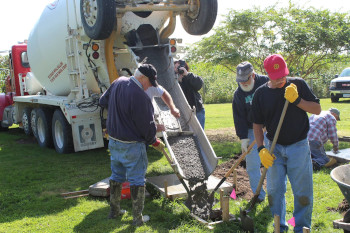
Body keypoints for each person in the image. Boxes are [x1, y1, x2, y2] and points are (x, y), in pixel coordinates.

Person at [251, 54, 321, 233]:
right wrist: (261, 149)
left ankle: (301, 228)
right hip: (274, 147)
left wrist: (297, 101)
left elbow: (317, 109)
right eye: (276, 78)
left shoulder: (297, 84)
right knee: (274, 192)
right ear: (267, 75)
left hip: (298, 146)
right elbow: (257, 124)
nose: (281, 80)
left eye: (283, 75)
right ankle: (279, 227)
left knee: (302, 192)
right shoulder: (260, 94)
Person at [99, 64, 165, 226]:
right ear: (142, 77)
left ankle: (114, 211)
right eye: (149, 82)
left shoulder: (118, 82)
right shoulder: (141, 97)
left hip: (114, 142)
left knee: (116, 176)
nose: (150, 87)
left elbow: (102, 101)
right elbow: (147, 127)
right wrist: (155, 142)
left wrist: (118, 114)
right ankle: (137, 219)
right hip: (132, 146)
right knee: (137, 180)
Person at [232, 61, 269, 202]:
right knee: (252, 164)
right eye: (240, 81)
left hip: (269, 126)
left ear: (253, 75)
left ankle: (274, 193)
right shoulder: (239, 94)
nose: (243, 83)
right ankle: (258, 195)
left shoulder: (265, 82)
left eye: (246, 79)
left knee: (271, 162)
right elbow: (238, 117)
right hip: (251, 129)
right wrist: (243, 138)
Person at [174, 60, 205, 129]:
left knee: (199, 133)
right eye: (175, 67)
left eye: (179, 67)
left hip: (197, 110)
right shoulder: (172, 80)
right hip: (181, 113)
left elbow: (199, 84)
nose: (177, 69)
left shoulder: (190, 77)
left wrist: (187, 74)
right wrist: (178, 80)